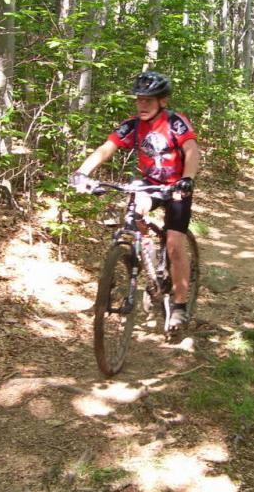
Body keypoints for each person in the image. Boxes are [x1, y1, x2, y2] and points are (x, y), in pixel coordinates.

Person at [69, 71, 200, 332]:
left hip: (176, 187)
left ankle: (180, 305)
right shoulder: (132, 125)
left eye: (148, 100)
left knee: (174, 245)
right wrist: (82, 173)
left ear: (162, 101)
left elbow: (192, 150)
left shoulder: (176, 123)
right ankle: (148, 258)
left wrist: (187, 178)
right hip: (149, 184)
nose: (142, 105)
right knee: (133, 213)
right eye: (139, 100)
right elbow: (106, 148)